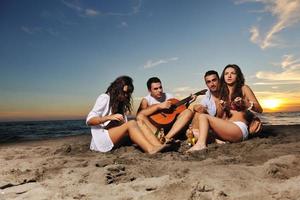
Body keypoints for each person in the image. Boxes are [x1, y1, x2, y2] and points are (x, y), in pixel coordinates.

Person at [187, 64, 263, 152]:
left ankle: (201, 145)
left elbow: (259, 109)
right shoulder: (223, 92)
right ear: (223, 76)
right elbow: (220, 114)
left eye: (233, 73)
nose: (229, 76)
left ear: (238, 75)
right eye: (226, 73)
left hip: (239, 128)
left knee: (203, 117)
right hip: (226, 129)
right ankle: (218, 141)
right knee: (195, 133)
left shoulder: (244, 88)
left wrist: (245, 104)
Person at [86, 76, 167, 154]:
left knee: (139, 122)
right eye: (124, 92)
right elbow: (89, 121)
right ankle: (151, 149)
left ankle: (158, 145)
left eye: (128, 93)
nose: (126, 95)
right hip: (101, 141)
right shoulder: (105, 97)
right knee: (131, 123)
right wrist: (108, 117)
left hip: (115, 139)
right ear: (116, 89)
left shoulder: (120, 103)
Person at [136, 77, 196, 142]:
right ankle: (162, 137)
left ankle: (167, 138)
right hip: (155, 129)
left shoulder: (169, 96)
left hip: (171, 126)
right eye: (155, 89)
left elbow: (179, 111)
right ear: (149, 90)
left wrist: (188, 102)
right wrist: (159, 106)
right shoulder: (146, 100)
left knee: (188, 112)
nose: (159, 90)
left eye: (160, 87)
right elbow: (140, 116)